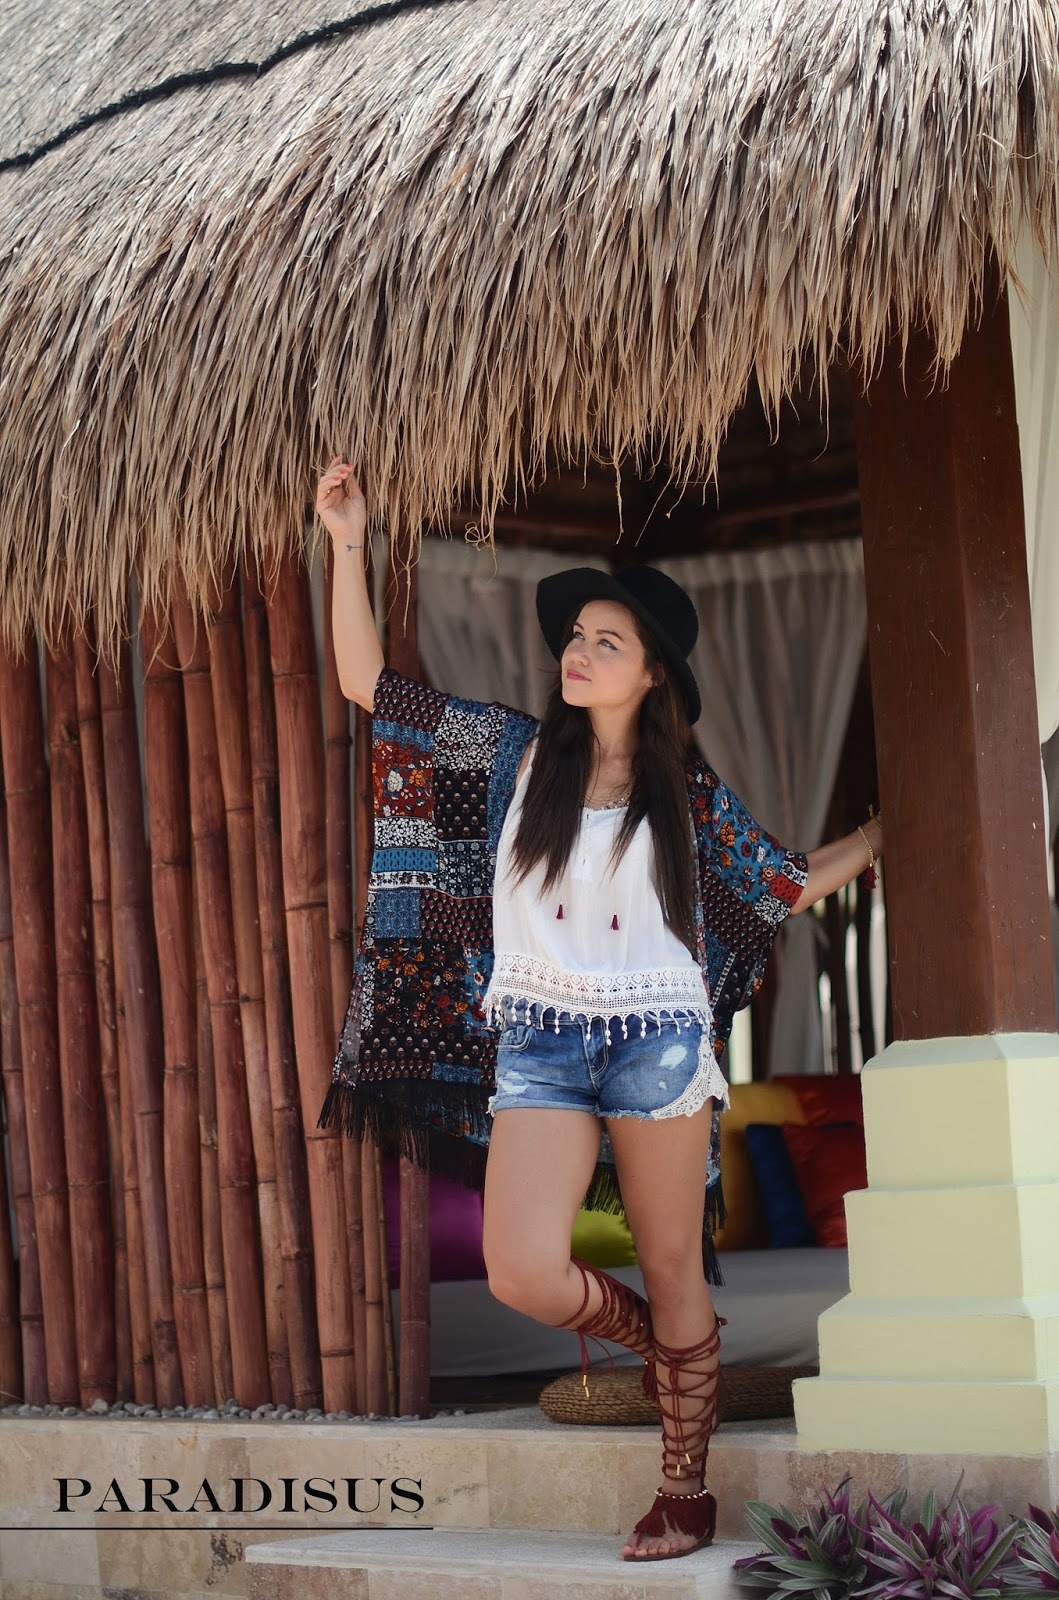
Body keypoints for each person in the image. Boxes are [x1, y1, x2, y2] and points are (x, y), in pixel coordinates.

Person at [316, 457, 884, 1562]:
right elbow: (367, 681)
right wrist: (348, 541)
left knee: (673, 1266)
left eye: (605, 642)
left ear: (653, 675)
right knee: (522, 1268)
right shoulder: (512, 755)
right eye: (575, 636)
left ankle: (683, 1489)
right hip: (538, 1042)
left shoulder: (688, 796)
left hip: (656, 1043)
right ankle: (669, 1354)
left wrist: (875, 838)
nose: (576, 652)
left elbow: (778, 883)